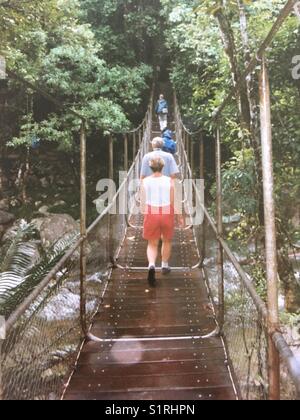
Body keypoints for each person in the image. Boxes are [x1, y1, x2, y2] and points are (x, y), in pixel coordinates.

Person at [141, 156, 177, 287]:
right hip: (166, 211)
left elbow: (143, 200)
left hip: (151, 211)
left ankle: (151, 265)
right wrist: (178, 216)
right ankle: (165, 265)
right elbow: (173, 200)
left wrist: (145, 212)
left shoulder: (145, 181)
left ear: (150, 167)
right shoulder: (170, 181)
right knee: (167, 240)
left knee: (152, 243)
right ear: (163, 167)